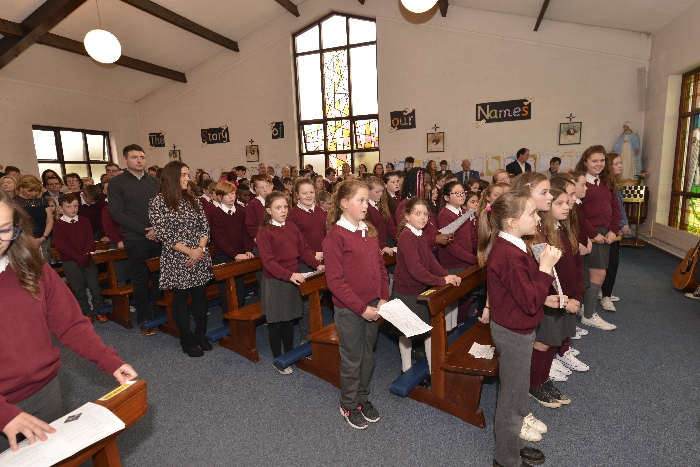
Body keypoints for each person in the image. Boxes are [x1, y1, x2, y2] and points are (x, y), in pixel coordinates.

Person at [0, 191, 137, 453]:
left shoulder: (34, 268)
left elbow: (71, 324)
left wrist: (107, 358)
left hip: (44, 390)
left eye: (5, 230)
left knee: (51, 456)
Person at [476, 191, 562, 467]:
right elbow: (529, 301)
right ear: (512, 222)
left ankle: (512, 444)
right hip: (513, 332)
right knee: (512, 400)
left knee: (517, 392)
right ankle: (505, 459)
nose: (538, 218)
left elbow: (519, 290)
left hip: (517, 327)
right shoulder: (509, 254)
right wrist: (545, 268)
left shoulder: (514, 245)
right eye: (532, 214)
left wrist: (543, 295)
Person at [322, 180, 389, 430]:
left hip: (373, 305)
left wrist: (383, 297)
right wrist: (362, 309)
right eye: (360, 200)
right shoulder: (335, 237)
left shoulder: (368, 231)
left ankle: (362, 398)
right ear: (344, 203)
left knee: (368, 355)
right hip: (351, 310)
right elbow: (335, 282)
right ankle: (348, 403)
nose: (365, 205)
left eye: (366, 200)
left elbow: (381, 268)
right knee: (352, 359)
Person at [393, 197, 460, 384]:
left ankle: (432, 370)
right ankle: (406, 369)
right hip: (406, 292)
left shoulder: (419, 234)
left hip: (420, 291)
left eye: (425, 214)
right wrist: (440, 280)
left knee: (426, 331)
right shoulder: (407, 236)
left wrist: (446, 275)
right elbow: (416, 270)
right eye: (418, 213)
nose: (423, 217)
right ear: (407, 216)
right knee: (406, 333)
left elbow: (430, 260)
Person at [149, 161, 213, 357]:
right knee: (180, 298)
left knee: (200, 296)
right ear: (172, 177)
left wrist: (199, 249)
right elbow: (164, 235)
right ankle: (187, 339)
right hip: (177, 257)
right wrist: (189, 252)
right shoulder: (158, 202)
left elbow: (204, 227)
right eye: (184, 175)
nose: (188, 178)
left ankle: (200, 334)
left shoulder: (192, 199)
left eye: (188, 174)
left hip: (199, 255)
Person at [258, 191, 323, 373]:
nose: (283, 211)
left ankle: (289, 353)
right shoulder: (264, 232)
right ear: (269, 210)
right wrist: (289, 275)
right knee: (276, 323)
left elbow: (304, 250)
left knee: (289, 320)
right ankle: (278, 359)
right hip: (276, 282)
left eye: (285, 207)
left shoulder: (292, 227)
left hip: (291, 278)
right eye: (278, 208)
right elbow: (269, 263)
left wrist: (317, 265)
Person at [108, 144, 162, 336]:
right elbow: (117, 213)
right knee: (140, 280)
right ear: (125, 159)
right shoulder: (117, 183)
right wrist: (145, 230)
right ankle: (145, 320)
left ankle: (160, 315)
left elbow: (163, 208)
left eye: (142, 157)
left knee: (159, 277)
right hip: (135, 238)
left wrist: (158, 229)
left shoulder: (155, 182)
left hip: (158, 236)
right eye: (134, 157)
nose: (139, 161)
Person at [574, 146, 620, 331]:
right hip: (589, 233)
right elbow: (577, 213)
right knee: (597, 275)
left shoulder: (606, 181)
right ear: (585, 162)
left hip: (605, 233)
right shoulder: (580, 183)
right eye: (594, 161)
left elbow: (615, 208)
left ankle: (586, 308)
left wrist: (613, 230)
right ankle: (589, 315)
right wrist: (594, 234)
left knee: (594, 274)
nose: (599, 164)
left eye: (602, 160)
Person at [53, 193, 107, 322]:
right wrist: (78, 258)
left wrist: (85, 256)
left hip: (87, 259)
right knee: (78, 288)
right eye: (69, 207)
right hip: (70, 261)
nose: (73, 209)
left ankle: (99, 310)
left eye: (75, 206)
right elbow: (61, 246)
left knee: (94, 286)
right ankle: (85, 311)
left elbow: (90, 241)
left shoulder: (84, 221)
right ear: (60, 208)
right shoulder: (58, 224)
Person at [287, 178, 326, 342]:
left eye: (311, 192)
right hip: (304, 262)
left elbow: (326, 235)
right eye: (304, 193)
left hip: (321, 260)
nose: (309, 195)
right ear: (297, 194)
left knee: (318, 297)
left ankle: (316, 330)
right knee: (307, 301)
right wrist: (313, 257)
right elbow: (295, 244)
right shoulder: (293, 215)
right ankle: (306, 336)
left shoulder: (320, 211)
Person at [438, 181, 478, 331]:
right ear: (446, 197)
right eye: (457, 193)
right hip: (453, 264)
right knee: (451, 301)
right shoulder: (445, 215)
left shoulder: (463, 212)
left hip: (466, 260)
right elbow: (450, 246)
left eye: (463, 193)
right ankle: (449, 331)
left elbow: (472, 237)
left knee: (464, 296)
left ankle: (457, 326)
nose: (462, 196)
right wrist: (472, 258)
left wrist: (480, 252)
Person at [209, 181, 254, 315]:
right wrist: (235, 255)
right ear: (219, 197)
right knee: (227, 293)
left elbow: (245, 234)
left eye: (232, 193)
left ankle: (240, 318)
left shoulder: (241, 212)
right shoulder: (215, 215)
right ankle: (228, 321)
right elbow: (219, 240)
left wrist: (248, 250)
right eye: (227, 194)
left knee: (239, 290)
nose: (231, 197)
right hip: (223, 257)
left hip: (239, 256)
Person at [599, 152, 629, 312]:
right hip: (609, 227)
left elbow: (619, 207)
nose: (620, 166)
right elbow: (613, 209)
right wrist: (622, 224)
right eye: (616, 163)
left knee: (611, 261)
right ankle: (605, 296)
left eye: (620, 163)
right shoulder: (606, 184)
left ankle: (605, 291)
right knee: (610, 263)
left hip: (614, 227)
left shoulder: (614, 183)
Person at [14, 176, 53, 263]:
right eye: (30, 191)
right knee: (29, 265)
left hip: (44, 238)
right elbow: (16, 223)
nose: (34, 193)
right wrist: (29, 238)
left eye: (36, 191)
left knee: (45, 265)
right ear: (21, 188)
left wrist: (43, 237)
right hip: (24, 239)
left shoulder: (42, 201)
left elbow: (49, 221)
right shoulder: (14, 202)